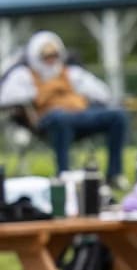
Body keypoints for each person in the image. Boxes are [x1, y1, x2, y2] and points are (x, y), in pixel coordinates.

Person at [0, 30, 128, 184]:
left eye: (54, 55)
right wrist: (40, 92)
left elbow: (103, 93)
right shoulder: (23, 75)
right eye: (46, 56)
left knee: (118, 115)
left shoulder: (72, 73)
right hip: (49, 121)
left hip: (81, 116)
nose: (51, 60)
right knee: (60, 117)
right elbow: (6, 98)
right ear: (35, 56)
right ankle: (64, 174)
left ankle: (114, 174)